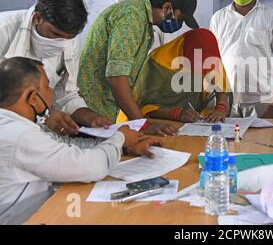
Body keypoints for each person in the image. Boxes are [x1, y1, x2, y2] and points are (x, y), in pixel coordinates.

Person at [0, 57, 160, 224]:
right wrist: (120, 138)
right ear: (32, 98)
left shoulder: (15, 125)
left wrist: (124, 147)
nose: (51, 92)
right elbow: (92, 168)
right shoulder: (20, 135)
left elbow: (64, 147)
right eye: (47, 87)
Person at [78, 0, 199, 135]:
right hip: (91, 113)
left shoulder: (143, 23)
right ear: (167, 8)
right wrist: (142, 124)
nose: (178, 24)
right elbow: (116, 76)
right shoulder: (132, 17)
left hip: (105, 111)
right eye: (179, 19)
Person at [0, 0, 110, 136]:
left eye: (68, 38)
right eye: (55, 34)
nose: (62, 43)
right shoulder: (3, 30)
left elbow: (65, 94)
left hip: (34, 134)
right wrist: (44, 117)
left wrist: (90, 117)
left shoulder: (70, 41)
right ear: (38, 18)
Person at [116, 28, 230, 124]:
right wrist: (176, 113)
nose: (204, 74)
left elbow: (220, 83)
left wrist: (220, 108)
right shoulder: (157, 63)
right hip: (146, 125)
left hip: (189, 124)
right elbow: (143, 106)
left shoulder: (209, 54)